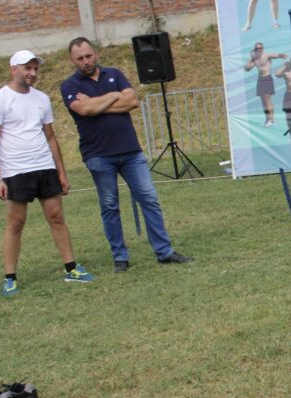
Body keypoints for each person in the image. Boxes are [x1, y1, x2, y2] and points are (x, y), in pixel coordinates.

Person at [61, 38, 193, 272]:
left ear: (95, 53)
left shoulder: (114, 74)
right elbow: (85, 109)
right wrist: (113, 96)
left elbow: (131, 101)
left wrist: (98, 103)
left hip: (131, 151)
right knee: (110, 206)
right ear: (72, 60)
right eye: (80, 58)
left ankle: (164, 252)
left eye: (88, 56)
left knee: (149, 199)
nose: (86, 61)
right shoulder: (69, 86)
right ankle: (120, 257)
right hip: (98, 155)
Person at [0, 50, 94, 296]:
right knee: (16, 223)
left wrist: (61, 172)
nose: (33, 73)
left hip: (44, 167)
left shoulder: (42, 99)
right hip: (15, 170)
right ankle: (10, 278)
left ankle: (71, 268)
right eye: (28, 68)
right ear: (14, 69)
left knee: (56, 217)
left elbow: (50, 137)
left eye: (35, 69)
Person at [244, 42, 287, 127]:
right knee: (263, 101)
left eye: (260, 48)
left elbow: (275, 55)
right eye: (257, 48)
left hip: (267, 78)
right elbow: (247, 69)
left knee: (267, 99)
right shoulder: (255, 59)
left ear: (262, 48)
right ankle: (267, 119)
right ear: (255, 49)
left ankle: (271, 119)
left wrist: (282, 55)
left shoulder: (267, 55)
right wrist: (251, 59)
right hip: (260, 80)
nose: (259, 50)